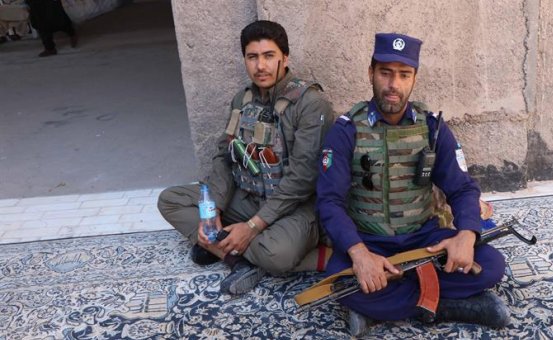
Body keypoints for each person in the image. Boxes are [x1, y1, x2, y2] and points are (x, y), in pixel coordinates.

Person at [316, 33, 509, 336]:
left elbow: (462, 187)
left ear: (414, 78)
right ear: (371, 73)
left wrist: (467, 235)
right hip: (371, 241)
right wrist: (360, 255)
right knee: (338, 282)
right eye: (385, 73)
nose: (394, 84)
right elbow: (329, 201)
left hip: (424, 239)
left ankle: (387, 301)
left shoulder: (431, 127)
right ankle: (448, 304)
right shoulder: (346, 130)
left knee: (492, 264)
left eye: (404, 75)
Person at [158, 20, 334, 295]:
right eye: (252, 57)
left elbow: (303, 179)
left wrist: (252, 227)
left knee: (278, 255)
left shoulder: (311, 104)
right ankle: (236, 255)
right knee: (170, 201)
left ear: (285, 58)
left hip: (294, 207)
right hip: (247, 197)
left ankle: (225, 248)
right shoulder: (242, 100)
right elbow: (224, 156)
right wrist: (213, 209)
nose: (260, 66)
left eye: (269, 56)